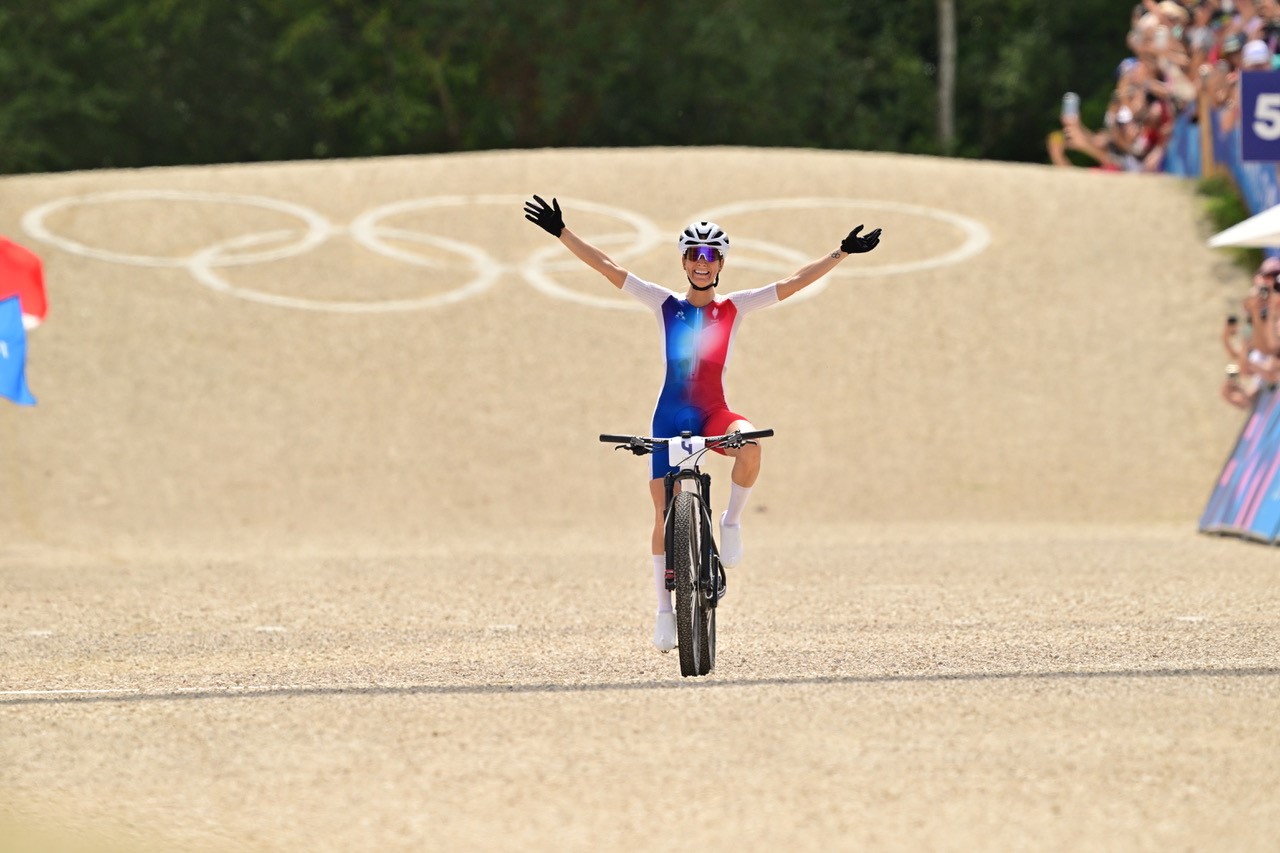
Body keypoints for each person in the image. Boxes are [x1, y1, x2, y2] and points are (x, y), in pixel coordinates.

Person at [523, 194, 882, 652]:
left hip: (715, 411)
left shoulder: (736, 306)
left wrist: (842, 252)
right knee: (660, 510)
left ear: (721, 264)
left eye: (711, 256)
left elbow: (792, 282)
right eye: (695, 254)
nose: (702, 263)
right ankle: (663, 612)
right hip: (670, 415)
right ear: (684, 260)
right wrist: (561, 232)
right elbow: (608, 267)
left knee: (750, 444)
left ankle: (731, 522)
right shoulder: (662, 303)